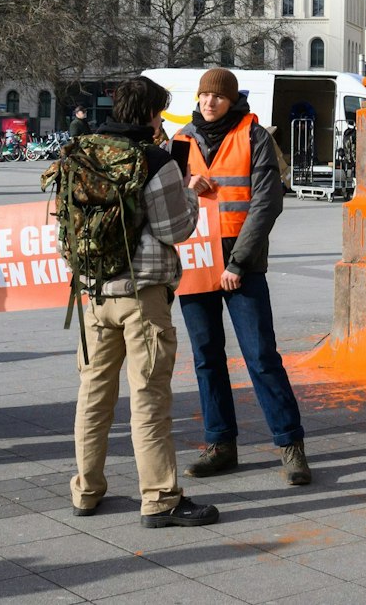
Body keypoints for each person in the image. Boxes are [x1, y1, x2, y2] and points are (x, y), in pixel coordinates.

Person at [65, 76, 218, 528]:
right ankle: (160, 498)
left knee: (93, 395)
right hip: (141, 296)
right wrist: (189, 192)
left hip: (92, 293)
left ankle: (86, 491)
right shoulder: (154, 160)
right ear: (152, 113)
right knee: (148, 397)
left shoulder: (82, 152)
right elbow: (175, 230)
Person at [176, 69, 311, 487]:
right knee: (206, 358)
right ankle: (220, 445)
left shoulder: (255, 136)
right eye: (203, 95)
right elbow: (159, 196)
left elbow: (267, 204)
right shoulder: (180, 141)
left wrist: (237, 262)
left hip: (241, 263)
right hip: (196, 261)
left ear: (231, 101)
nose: (208, 102)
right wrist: (184, 182)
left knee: (261, 358)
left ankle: (290, 445)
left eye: (216, 97)